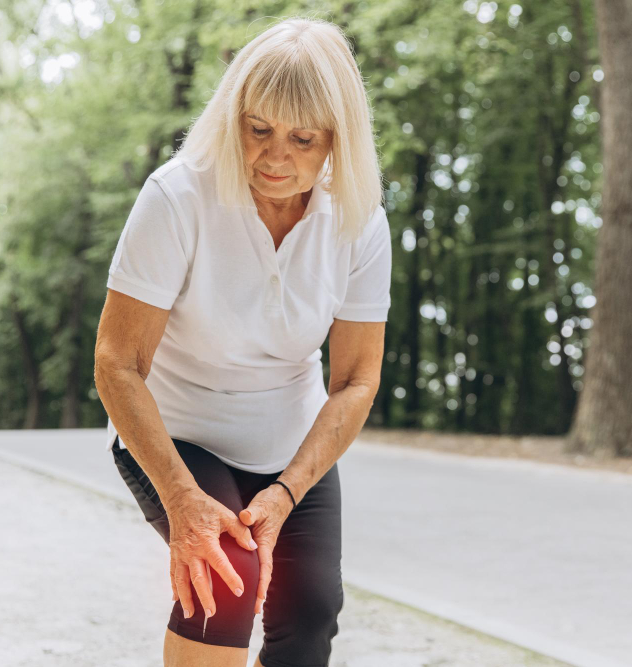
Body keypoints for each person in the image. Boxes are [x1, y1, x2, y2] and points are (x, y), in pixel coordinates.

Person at [93, 16, 391, 667]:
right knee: (223, 580)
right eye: (258, 129)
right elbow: (117, 362)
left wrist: (285, 492)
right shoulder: (178, 196)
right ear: (234, 118)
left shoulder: (360, 220)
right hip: (178, 433)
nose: (274, 157)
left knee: (310, 615)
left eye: (302, 138)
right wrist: (181, 498)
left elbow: (356, 380)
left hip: (288, 442)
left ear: (337, 138)